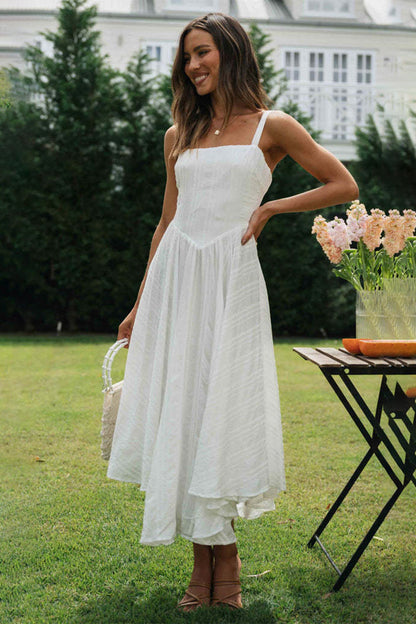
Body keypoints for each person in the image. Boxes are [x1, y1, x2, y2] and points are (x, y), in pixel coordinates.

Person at [106, 11, 359, 612]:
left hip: (232, 282)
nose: (193, 65)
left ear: (230, 53)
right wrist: (141, 304)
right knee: (185, 412)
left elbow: (341, 183)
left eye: (202, 53)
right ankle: (204, 561)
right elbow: (166, 222)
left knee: (222, 412)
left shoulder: (271, 126)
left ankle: (229, 559)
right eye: (186, 57)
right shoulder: (178, 136)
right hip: (177, 282)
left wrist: (270, 210)